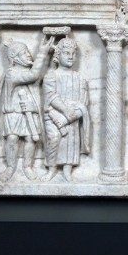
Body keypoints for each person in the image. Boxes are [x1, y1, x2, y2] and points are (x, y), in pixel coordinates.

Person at [0, 37, 52, 182]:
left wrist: (32, 107)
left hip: (30, 112)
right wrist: (42, 53)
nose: (29, 55)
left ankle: (28, 166)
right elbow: (32, 75)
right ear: (14, 58)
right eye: (24, 53)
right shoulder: (12, 73)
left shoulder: (31, 73)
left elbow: (38, 92)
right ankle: (10, 167)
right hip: (13, 112)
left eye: (28, 52)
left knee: (30, 139)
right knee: (12, 138)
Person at [42, 38, 90, 182]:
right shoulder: (51, 75)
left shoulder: (79, 78)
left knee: (71, 140)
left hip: (73, 115)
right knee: (54, 138)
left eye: (73, 54)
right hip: (54, 114)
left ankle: (67, 170)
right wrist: (65, 111)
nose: (70, 56)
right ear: (58, 55)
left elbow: (83, 101)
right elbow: (51, 96)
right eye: (66, 53)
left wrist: (69, 117)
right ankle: (51, 169)